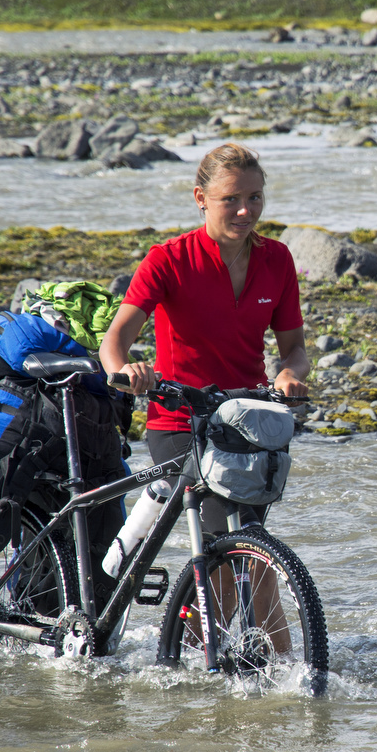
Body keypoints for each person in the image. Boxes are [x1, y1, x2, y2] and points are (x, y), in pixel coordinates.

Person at [99, 142, 310, 539]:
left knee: (247, 550)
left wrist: (288, 376)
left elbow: (295, 350)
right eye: (230, 199)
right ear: (201, 199)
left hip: (250, 418)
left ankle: (200, 604)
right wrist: (124, 370)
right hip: (181, 421)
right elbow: (113, 343)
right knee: (233, 544)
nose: (245, 210)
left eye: (254, 197)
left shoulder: (278, 259)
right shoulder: (168, 259)